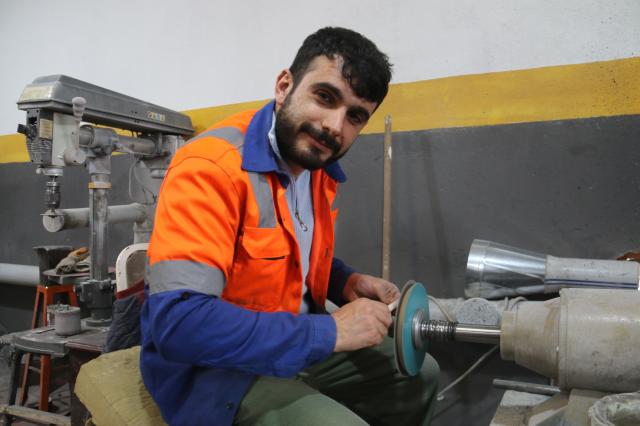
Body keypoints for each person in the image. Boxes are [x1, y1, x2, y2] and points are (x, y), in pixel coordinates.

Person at [140, 27, 440, 426]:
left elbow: (286, 253)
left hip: (292, 342)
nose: (334, 126)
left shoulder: (316, 169)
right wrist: (329, 332)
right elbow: (180, 326)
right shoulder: (210, 169)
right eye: (325, 97)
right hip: (214, 370)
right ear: (285, 86)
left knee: (420, 375)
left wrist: (344, 282)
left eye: (355, 117)